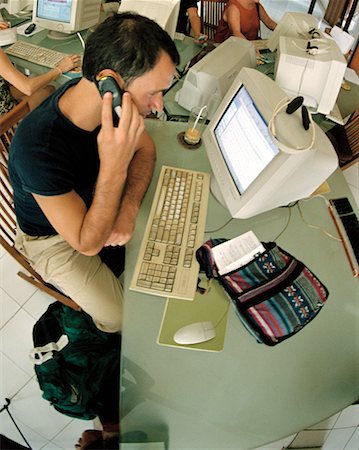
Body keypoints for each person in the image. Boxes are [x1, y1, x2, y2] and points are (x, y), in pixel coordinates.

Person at [8, 13, 179, 333]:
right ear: (109, 79)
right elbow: (85, 242)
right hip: (55, 238)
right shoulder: (37, 149)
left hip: (95, 202)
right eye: (152, 93)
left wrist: (127, 211)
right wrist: (113, 167)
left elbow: (146, 149)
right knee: (119, 319)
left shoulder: (104, 99)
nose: (157, 106)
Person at [0, 21, 80, 116]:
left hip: (3, 96)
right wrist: (59, 69)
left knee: (40, 84)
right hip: (5, 124)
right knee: (49, 90)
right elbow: (28, 88)